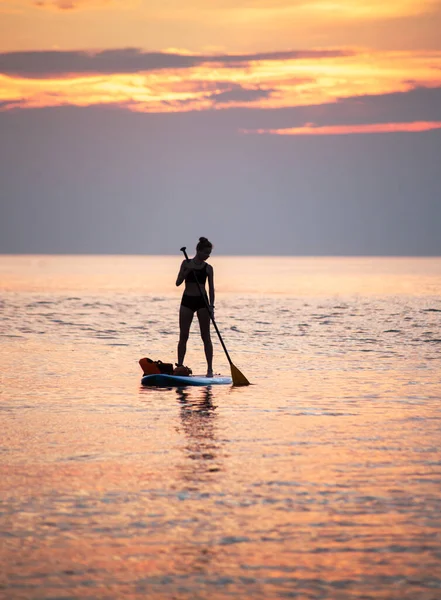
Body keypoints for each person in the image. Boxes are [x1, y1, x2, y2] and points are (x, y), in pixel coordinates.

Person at [176, 237, 215, 377]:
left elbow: (211, 289)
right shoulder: (185, 263)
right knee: (183, 336)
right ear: (198, 251)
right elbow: (178, 282)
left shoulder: (208, 268)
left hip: (202, 302)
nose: (207, 256)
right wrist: (188, 270)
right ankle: (179, 366)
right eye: (206, 253)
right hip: (187, 301)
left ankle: (210, 369)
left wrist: (211, 306)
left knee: (206, 336)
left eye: (209, 254)